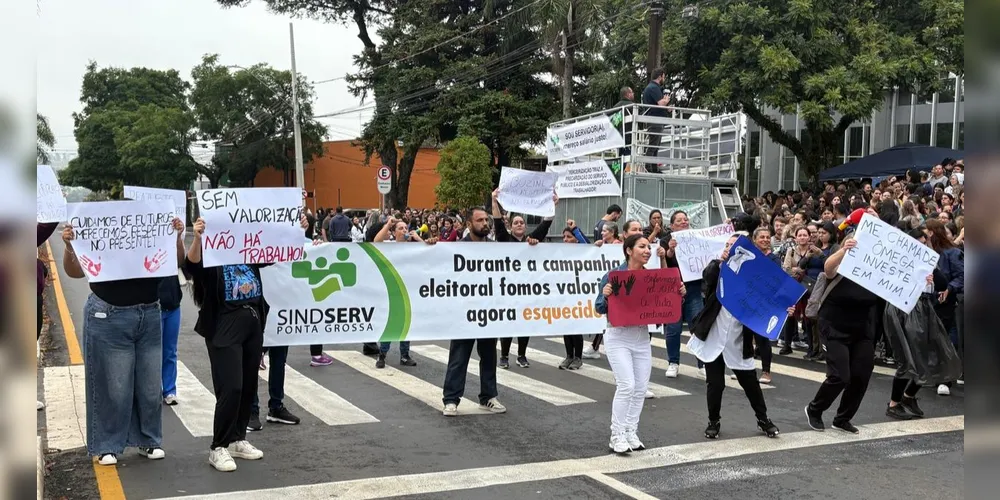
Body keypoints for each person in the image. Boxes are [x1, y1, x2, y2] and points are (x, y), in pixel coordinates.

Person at [186, 214, 308, 471]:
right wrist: (198, 238)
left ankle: (237, 438)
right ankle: (218, 446)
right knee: (231, 386)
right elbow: (191, 265)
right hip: (223, 324)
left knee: (248, 384)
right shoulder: (211, 253)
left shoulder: (248, 251)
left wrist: (297, 231)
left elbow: (277, 252)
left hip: (252, 320)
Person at [61, 216, 184, 465]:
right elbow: (74, 272)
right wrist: (69, 245)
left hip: (149, 312)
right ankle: (107, 445)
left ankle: (148, 440)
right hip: (109, 314)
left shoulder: (153, 233)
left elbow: (176, 262)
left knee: (150, 385)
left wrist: (177, 237)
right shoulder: (102, 232)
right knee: (113, 385)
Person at [689, 234, 783, 439]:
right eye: (728, 245)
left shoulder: (755, 276)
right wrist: (721, 263)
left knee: (750, 383)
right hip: (714, 336)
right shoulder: (718, 269)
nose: (731, 249)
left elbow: (769, 300)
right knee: (715, 384)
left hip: (739, 340)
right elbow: (708, 280)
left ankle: (763, 419)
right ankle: (713, 421)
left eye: (735, 246)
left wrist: (785, 309)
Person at [595, 234, 674, 454]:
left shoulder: (652, 279)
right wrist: (606, 294)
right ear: (629, 251)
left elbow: (664, 306)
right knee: (627, 385)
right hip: (618, 336)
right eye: (642, 247)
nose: (647, 251)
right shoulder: (614, 276)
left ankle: (631, 431)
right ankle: (616, 435)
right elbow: (599, 307)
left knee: (639, 388)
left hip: (640, 337)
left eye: (649, 247)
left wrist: (679, 295)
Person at [804, 234, 877, 435]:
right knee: (840, 376)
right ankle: (815, 409)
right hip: (834, 325)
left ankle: (843, 418)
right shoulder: (842, 264)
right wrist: (844, 250)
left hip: (861, 329)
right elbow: (828, 268)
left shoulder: (876, 269)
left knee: (861, 375)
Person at [442, 208, 505, 416]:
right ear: (469, 224)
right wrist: (431, 247)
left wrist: (532, 245)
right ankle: (451, 399)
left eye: (487, 220)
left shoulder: (496, 248)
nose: (485, 223)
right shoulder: (458, 248)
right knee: (459, 356)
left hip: (488, 311)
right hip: (464, 311)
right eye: (480, 220)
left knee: (489, 355)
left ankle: (488, 396)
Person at [491, 189, 555, 368]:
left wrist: (552, 205)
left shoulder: (531, 241)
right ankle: (504, 356)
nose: (519, 224)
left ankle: (521, 355)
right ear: (511, 226)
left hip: (527, 290)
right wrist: (494, 201)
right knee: (508, 324)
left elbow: (546, 224)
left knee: (525, 323)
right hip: (508, 290)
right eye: (516, 222)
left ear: (525, 227)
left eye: (522, 222)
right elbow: (497, 222)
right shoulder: (505, 239)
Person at [373, 216, 436, 368]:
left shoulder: (413, 247)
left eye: (406, 228)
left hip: (408, 290)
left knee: (407, 324)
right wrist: (388, 224)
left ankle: (405, 355)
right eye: (400, 229)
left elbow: (429, 253)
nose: (404, 231)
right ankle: (382, 354)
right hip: (392, 290)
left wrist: (418, 238)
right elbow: (376, 241)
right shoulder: (389, 246)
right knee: (390, 323)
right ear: (394, 233)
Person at [660, 211, 706, 378]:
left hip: (693, 289)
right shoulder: (666, 240)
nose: (683, 222)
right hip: (673, 290)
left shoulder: (697, 237)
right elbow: (665, 260)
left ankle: (702, 364)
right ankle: (673, 363)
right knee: (673, 329)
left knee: (698, 326)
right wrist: (671, 250)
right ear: (672, 225)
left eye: (686, 219)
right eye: (679, 220)